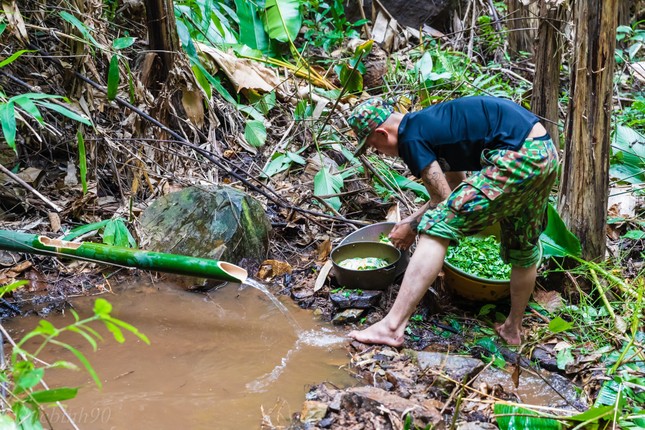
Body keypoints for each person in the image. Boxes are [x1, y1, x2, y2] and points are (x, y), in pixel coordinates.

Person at [345, 96, 559, 346]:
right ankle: (513, 328)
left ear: (382, 134)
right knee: (522, 246)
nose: (378, 152)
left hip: (516, 158)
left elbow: (441, 204)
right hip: (544, 153)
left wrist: (413, 227)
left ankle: (391, 327)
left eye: (374, 146)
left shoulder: (411, 139)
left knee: (435, 228)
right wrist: (414, 219)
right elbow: (452, 189)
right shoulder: (432, 124)